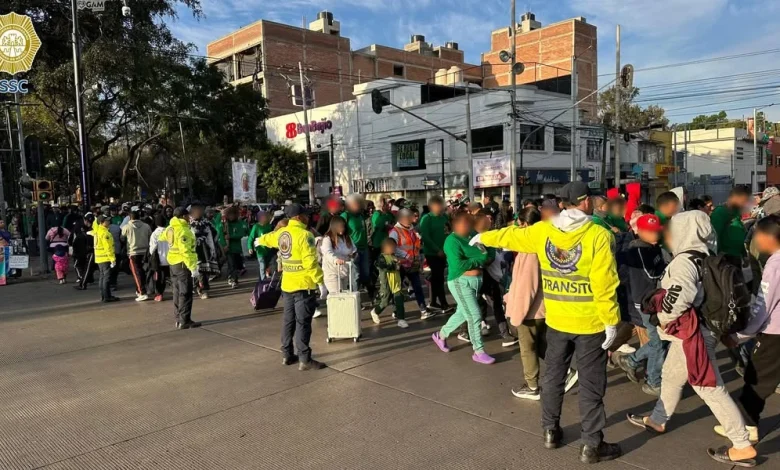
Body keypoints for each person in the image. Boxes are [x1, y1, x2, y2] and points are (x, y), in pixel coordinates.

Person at [474, 181, 621, 463]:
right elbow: (605, 284)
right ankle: (591, 445)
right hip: (590, 323)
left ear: (562, 203)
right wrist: (611, 321)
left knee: (553, 377)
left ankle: (550, 431)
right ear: (586, 202)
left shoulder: (543, 231)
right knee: (591, 385)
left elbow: (513, 236)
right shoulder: (598, 235)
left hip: (557, 320)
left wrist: (485, 238)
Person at [625, 211, 757, 468]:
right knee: (673, 375)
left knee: (709, 387)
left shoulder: (684, 261)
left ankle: (741, 444)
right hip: (702, 331)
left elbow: (677, 297)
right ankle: (657, 419)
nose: (669, 235)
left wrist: (663, 318)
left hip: (691, 335)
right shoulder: (705, 256)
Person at [714, 214, 780, 445]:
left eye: (758, 235)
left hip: (775, 333)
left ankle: (747, 427)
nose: (755, 240)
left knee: (757, 379)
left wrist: (739, 336)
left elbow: (762, 307)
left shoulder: (774, 266)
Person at [256, 204, 327, 371]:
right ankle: (304, 359)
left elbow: (269, 238)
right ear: (297, 217)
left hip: (287, 286)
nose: (308, 217)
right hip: (303, 287)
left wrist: (259, 240)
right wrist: (320, 282)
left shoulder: (282, 233)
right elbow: (310, 262)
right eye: (305, 215)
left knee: (288, 321)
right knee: (303, 323)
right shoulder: (305, 235)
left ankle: (287, 355)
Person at [611, 213, 668, 397]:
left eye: (656, 231)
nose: (654, 235)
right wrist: (670, 271)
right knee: (658, 342)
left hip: (655, 300)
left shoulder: (654, 247)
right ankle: (651, 379)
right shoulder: (637, 249)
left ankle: (633, 362)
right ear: (640, 232)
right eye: (650, 232)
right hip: (643, 303)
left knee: (659, 341)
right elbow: (651, 274)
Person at [432, 211, 494, 364]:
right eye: (467, 222)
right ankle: (478, 351)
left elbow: (487, 254)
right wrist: (478, 259)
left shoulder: (473, 235)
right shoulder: (451, 241)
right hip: (460, 282)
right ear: (457, 224)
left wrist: (480, 258)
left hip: (476, 282)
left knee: (462, 313)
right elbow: (459, 265)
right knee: (474, 315)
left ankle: (441, 335)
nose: (470, 224)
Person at [474, 210, 515, 346]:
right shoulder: (477, 240)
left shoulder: (490, 236)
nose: (490, 221)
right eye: (487, 220)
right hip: (483, 277)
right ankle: (473, 329)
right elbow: (484, 259)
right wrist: (487, 259)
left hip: (493, 277)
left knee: (492, 304)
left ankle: (503, 333)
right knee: (477, 305)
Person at [390, 209, 433, 319]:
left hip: (413, 264)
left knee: (417, 287)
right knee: (398, 289)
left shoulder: (412, 230)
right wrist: (405, 256)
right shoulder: (395, 231)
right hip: (401, 264)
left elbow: (416, 246)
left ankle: (423, 309)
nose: (410, 220)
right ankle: (397, 310)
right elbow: (392, 247)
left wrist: (418, 258)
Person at [164, 207, 202, 330]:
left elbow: (162, 238)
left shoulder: (170, 228)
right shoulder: (183, 230)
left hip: (173, 264)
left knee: (176, 292)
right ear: (184, 216)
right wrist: (193, 268)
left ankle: (178, 319)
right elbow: (186, 251)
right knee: (185, 293)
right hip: (182, 264)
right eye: (188, 215)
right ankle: (185, 320)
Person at [319, 216, 357, 318]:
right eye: (340, 227)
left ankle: (343, 319)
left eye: (343, 227)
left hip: (345, 271)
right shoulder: (327, 239)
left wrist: (353, 254)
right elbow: (327, 252)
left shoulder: (346, 237)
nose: (342, 229)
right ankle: (335, 320)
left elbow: (353, 249)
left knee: (344, 296)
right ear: (334, 227)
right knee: (336, 296)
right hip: (332, 271)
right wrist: (336, 260)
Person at [419, 196, 451, 312]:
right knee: (438, 277)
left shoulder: (444, 217)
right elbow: (426, 237)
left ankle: (433, 302)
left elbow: (448, 232)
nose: (441, 207)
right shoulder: (427, 218)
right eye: (438, 205)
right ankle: (443, 303)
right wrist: (437, 250)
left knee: (438, 277)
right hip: (432, 253)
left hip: (444, 252)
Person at [371, 238, 408, 328]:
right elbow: (384, 267)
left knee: (399, 300)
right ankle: (375, 311)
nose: (393, 250)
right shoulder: (381, 258)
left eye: (394, 248)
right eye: (392, 248)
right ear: (385, 248)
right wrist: (395, 265)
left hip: (396, 284)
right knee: (385, 302)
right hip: (387, 285)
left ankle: (401, 319)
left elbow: (399, 268)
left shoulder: (394, 256)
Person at [710, 185, 751, 267]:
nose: (746, 203)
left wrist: (744, 255)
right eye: (744, 200)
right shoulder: (719, 213)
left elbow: (738, 235)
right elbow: (714, 237)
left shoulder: (736, 213)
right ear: (736, 197)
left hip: (736, 258)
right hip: (725, 260)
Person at [342, 195, 373, 299]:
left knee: (366, 274)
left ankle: (364, 293)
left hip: (364, 248)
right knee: (355, 276)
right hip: (352, 251)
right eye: (357, 203)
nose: (359, 206)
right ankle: (354, 299)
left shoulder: (360, 216)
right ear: (349, 205)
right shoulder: (345, 216)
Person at [190, 204, 220, 299]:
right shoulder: (188, 224)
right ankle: (199, 288)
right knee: (196, 270)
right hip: (194, 251)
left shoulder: (206, 222)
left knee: (204, 271)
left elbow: (215, 233)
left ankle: (203, 288)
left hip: (206, 250)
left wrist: (212, 245)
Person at [121, 210, 151, 301]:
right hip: (145, 252)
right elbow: (150, 237)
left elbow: (122, 238)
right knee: (142, 272)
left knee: (136, 273)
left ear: (130, 218)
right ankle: (140, 290)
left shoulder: (126, 227)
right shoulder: (146, 226)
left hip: (133, 253)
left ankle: (142, 292)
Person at [93, 215, 118, 303]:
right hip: (105, 257)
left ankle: (104, 295)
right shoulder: (105, 233)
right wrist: (112, 259)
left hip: (99, 258)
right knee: (106, 278)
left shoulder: (97, 231)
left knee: (102, 277)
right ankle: (107, 296)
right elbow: (108, 247)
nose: (108, 222)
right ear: (101, 223)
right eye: (106, 221)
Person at [224, 206, 248, 289]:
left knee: (237, 265)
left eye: (232, 215)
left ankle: (232, 277)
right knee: (231, 264)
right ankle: (233, 280)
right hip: (229, 249)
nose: (231, 217)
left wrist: (231, 237)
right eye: (229, 215)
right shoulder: (225, 224)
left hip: (238, 249)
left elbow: (241, 234)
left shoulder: (240, 223)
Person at [148, 214, 170, 301]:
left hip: (159, 259)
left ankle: (159, 294)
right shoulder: (169, 232)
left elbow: (152, 248)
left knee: (159, 278)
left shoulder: (154, 234)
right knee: (168, 277)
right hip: (169, 258)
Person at [248, 211, 274, 281]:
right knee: (262, 265)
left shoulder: (269, 226)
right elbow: (251, 237)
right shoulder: (256, 227)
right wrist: (250, 247)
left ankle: (265, 277)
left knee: (267, 265)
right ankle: (263, 280)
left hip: (268, 249)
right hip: (260, 250)